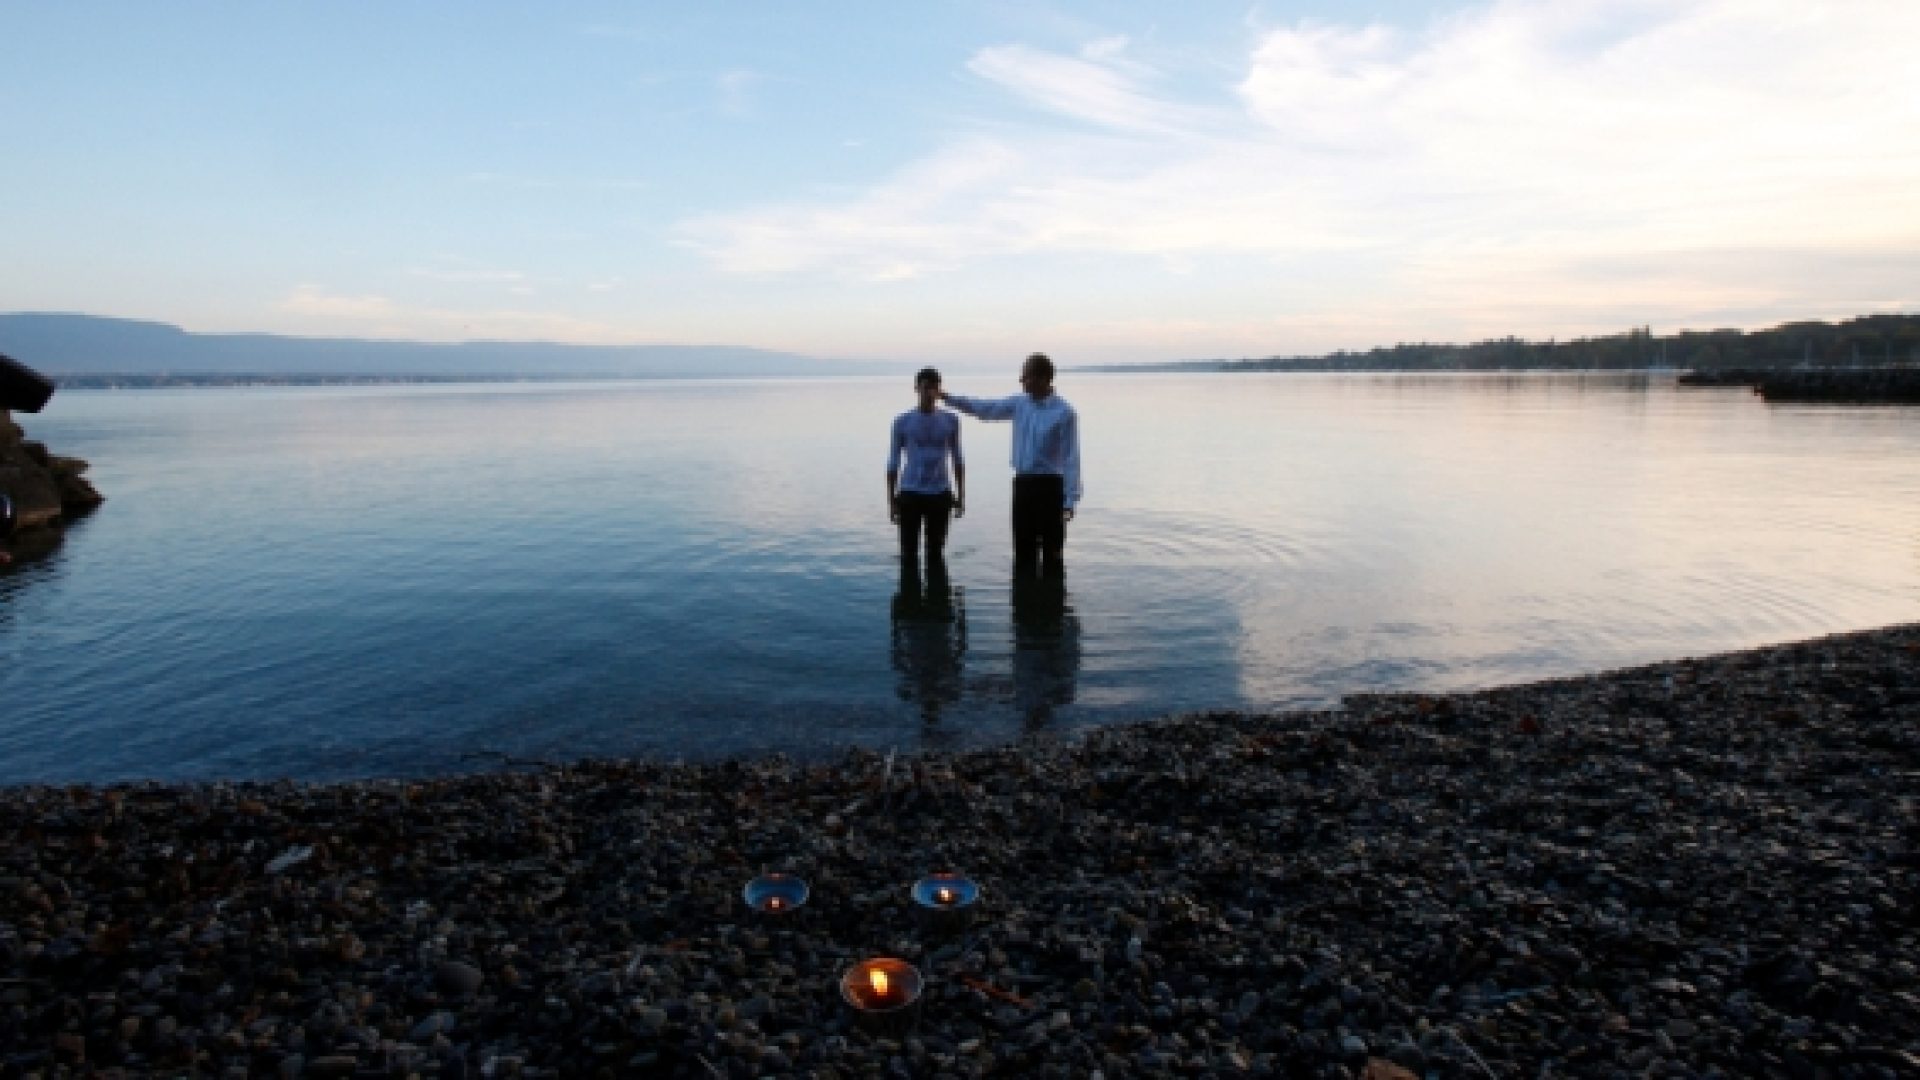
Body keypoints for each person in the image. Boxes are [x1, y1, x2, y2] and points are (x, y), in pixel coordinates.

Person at [942, 352, 1081, 577]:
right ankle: (1023, 607)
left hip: (1050, 488)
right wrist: (948, 398)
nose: (1021, 380)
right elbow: (985, 409)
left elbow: (1071, 459)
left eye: (1025, 376)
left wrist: (1069, 500)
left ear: (1043, 378)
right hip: (1023, 485)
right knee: (1023, 552)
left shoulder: (1064, 413)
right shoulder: (1020, 404)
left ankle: (1053, 607)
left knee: (1052, 553)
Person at [887, 367, 965, 574]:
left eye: (933, 387)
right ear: (916, 389)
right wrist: (891, 501)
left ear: (939, 390)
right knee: (908, 554)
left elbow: (958, 459)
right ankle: (908, 603)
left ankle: (937, 603)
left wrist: (961, 496)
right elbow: (892, 462)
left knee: (936, 553)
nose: (929, 392)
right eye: (925, 387)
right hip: (910, 493)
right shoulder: (902, 422)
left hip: (940, 494)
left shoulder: (951, 420)